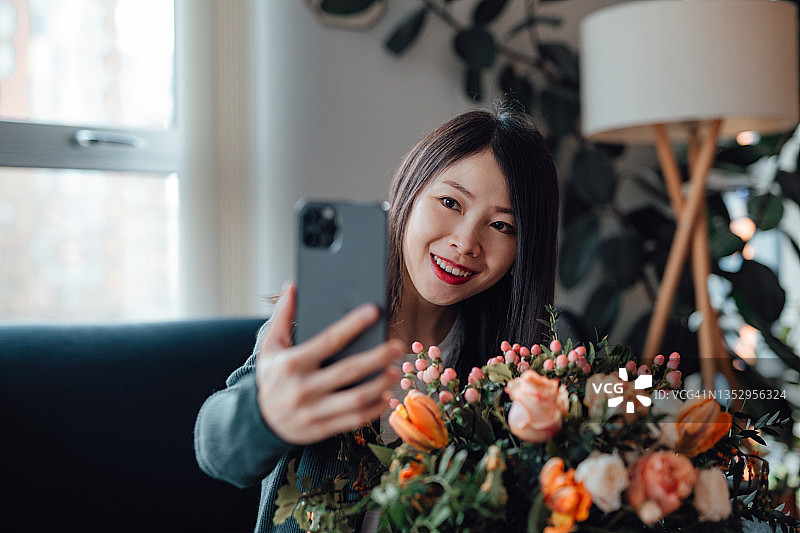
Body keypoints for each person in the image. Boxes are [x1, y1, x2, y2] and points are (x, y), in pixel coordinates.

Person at [193, 105, 559, 532]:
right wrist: (265, 413)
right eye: (450, 202)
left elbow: (639, 403)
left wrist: (647, 404)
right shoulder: (319, 325)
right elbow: (217, 449)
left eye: (501, 226)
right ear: (408, 191)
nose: (466, 243)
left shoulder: (521, 363)